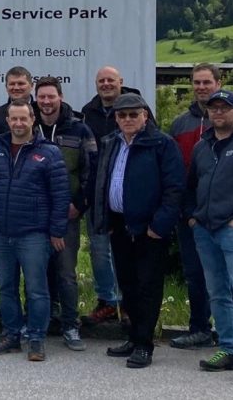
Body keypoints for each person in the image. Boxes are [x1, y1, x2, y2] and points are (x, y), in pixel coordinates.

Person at [88, 93, 183, 369]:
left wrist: (159, 226)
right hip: (119, 226)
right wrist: (103, 222)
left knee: (148, 287)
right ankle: (133, 336)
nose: (127, 119)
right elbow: (101, 183)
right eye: (122, 115)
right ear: (116, 118)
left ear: (144, 116)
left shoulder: (162, 144)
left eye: (133, 114)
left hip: (149, 229)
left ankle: (144, 345)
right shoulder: (110, 143)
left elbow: (174, 188)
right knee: (128, 286)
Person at [0, 100, 69, 363]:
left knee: (37, 289)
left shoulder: (50, 153)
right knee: (6, 288)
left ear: (33, 120)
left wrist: (56, 231)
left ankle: (37, 338)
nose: (18, 124)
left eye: (23, 119)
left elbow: (60, 196)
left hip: (34, 235)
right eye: (13, 119)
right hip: (2, 234)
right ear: (7, 121)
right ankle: (11, 335)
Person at [34, 77, 97, 352]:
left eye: (51, 97)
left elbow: (91, 171)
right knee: (35, 271)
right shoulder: (28, 126)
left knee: (65, 272)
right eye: (42, 97)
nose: (46, 102)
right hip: (34, 215)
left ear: (60, 97)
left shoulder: (79, 129)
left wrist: (80, 205)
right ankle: (39, 322)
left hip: (67, 213)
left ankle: (71, 326)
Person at [168, 63, 222, 349]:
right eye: (197, 83)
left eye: (206, 82)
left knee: (227, 276)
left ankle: (228, 333)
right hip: (190, 215)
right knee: (195, 274)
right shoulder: (180, 124)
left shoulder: (227, 119)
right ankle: (199, 328)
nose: (201, 87)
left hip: (225, 215)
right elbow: (173, 170)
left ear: (218, 82)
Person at [79, 65, 131, 326]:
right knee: (99, 251)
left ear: (121, 81)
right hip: (97, 192)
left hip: (126, 193)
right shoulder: (88, 113)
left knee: (127, 250)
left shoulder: (136, 107)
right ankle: (107, 302)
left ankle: (128, 304)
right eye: (101, 80)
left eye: (111, 79)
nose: (106, 84)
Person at [186, 89, 233, 372]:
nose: (218, 112)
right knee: (217, 292)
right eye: (214, 108)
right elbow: (190, 185)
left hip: (230, 228)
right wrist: (193, 217)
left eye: (224, 108)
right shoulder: (201, 147)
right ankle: (228, 348)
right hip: (204, 230)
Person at [0, 66, 36, 146]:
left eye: (21, 83)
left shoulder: (40, 111)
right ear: (6, 87)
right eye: (12, 84)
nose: (16, 87)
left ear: (31, 86)